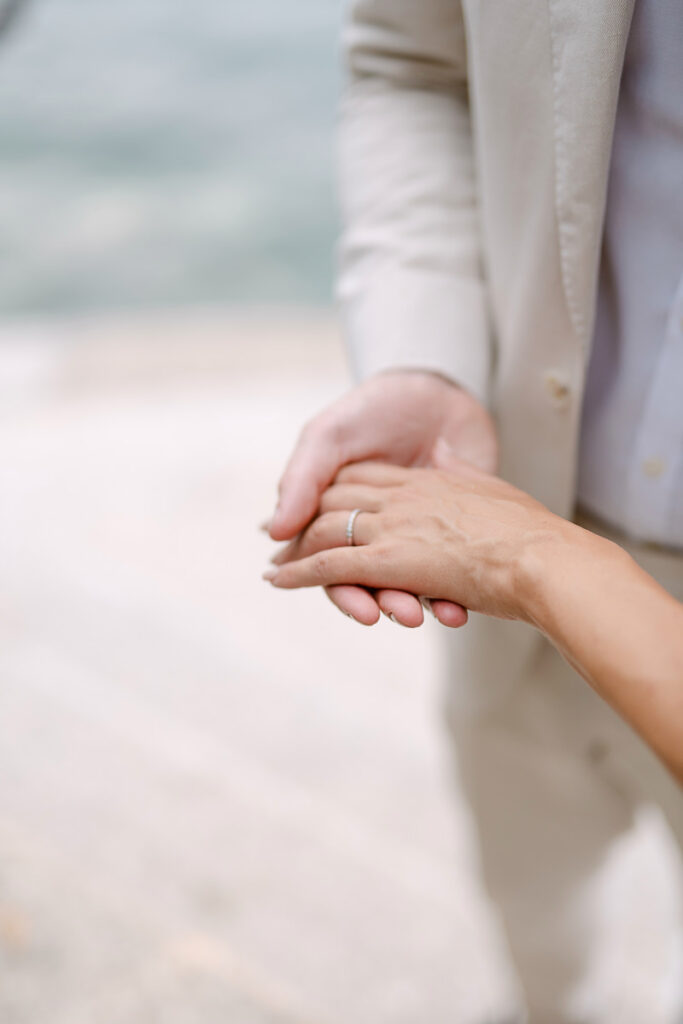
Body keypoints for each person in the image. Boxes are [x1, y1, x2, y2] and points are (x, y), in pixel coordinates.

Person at [264, 2, 683, 1020]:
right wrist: (424, 350)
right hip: (505, 499)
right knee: (531, 908)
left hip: (504, 543)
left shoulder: (522, 558)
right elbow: (412, 63)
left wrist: (543, 565)